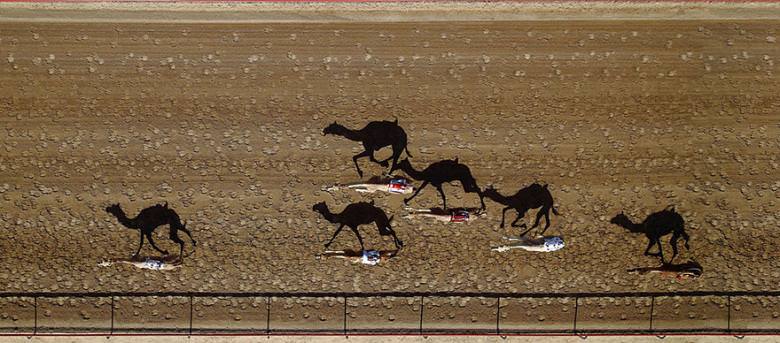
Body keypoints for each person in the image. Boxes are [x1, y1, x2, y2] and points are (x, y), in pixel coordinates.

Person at [323, 175, 414, 194]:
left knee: (357, 185)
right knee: (358, 185)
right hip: (381, 186)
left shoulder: (404, 186)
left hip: (381, 186)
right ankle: (337, 187)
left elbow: (394, 182)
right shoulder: (403, 189)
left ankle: (337, 187)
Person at [628, 260, 702, 279]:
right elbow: (683, 273)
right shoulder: (691, 273)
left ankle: (637, 271)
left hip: (674, 272)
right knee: (655, 270)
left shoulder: (691, 274)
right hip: (674, 271)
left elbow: (683, 275)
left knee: (655, 270)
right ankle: (637, 271)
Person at [404, 207, 486, 223]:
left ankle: (413, 213)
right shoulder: (468, 217)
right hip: (449, 217)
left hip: (449, 216)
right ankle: (413, 212)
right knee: (431, 212)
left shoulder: (468, 215)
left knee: (430, 213)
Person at [316, 249, 398, 266]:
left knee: (348, 256)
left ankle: (329, 255)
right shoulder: (378, 252)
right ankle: (329, 252)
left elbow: (368, 259)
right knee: (346, 252)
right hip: (362, 253)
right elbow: (370, 251)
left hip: (361, 258)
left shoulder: (375, 261)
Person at [98, 255, 182, 270]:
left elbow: (160, 259)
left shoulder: (168, 265)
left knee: (123, 260)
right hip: (143, 264)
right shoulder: (169, 267)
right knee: (124, 260)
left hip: (143, 262)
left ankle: (108, 262)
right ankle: (108, 262)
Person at [491, 235, 565, 252]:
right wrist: (541, 236)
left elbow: (549, 238)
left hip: (542, 247)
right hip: (542, 242)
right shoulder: (557, 238)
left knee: (522, 245)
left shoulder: (560, 243)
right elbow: (548, 237)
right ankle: (509, 238)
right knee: (524, 240)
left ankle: (499, 248)